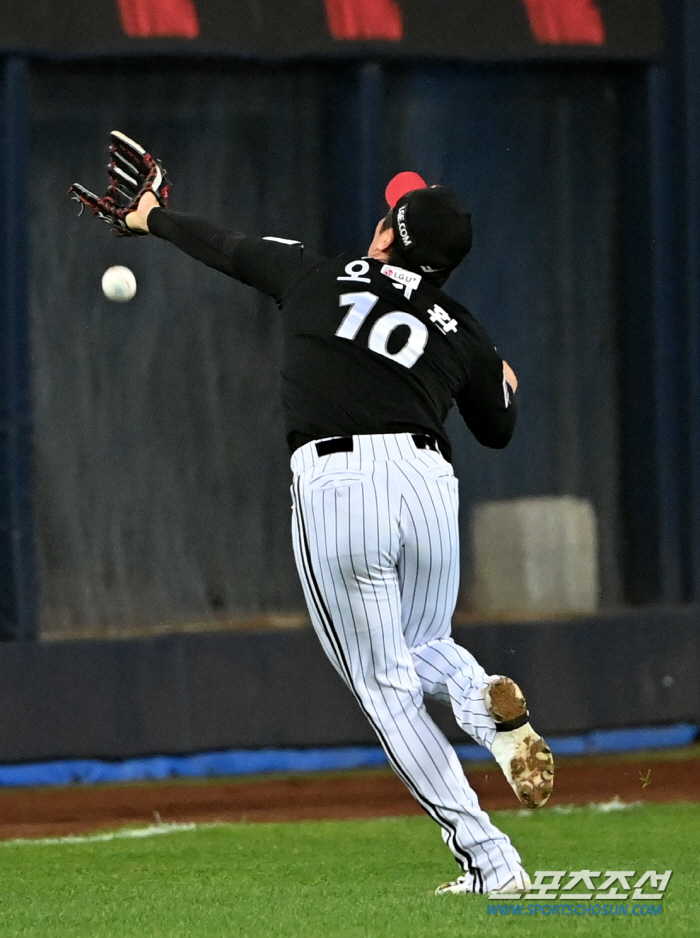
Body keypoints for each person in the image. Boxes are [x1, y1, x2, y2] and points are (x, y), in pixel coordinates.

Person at [124, 171, 554, 895]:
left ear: (386, 235)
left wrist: (151, 219)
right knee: (424, 647)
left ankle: (492, 862)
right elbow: (498, 429)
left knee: (385, 687)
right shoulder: (461, 325)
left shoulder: (315, 274)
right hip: (426, 481)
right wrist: (503, 379)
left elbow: (225, 247)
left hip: (340, 481)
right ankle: (485, 701)